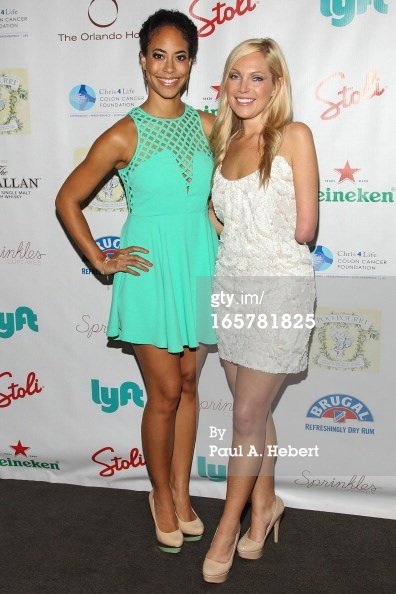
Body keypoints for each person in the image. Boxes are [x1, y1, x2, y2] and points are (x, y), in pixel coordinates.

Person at [55, 9, 218, 553]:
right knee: (166, 392)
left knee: (192, 385)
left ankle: (182, 489)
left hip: (198, 265)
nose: (168, 68)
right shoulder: (124, 132)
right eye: (158, 56)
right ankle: (160, 496)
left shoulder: (212, 126)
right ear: (143, 61)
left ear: (192, 63)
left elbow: (220, 201)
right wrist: (102, 260)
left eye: (180, 57)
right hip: (150, 274)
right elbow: (67, 200)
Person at [203, 38, 318, 583]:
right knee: (258, 411)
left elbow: (306, 228)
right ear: (225, 84)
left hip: (279, 291)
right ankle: (266, 503)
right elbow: (220, 222)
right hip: (232, 288)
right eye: (235, 77)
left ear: (276, 85)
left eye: (257, 78)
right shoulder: (222, 146)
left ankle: (227, 529)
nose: (245, 88)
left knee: (245, 417)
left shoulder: (294, 137)